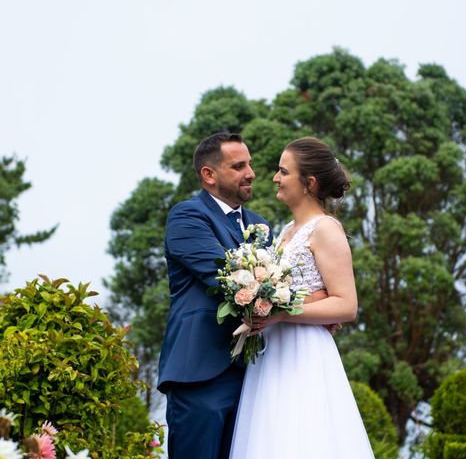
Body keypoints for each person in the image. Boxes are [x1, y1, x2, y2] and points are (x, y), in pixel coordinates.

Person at [229, 137, 375, 458]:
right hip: (274, 353)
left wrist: (282, 313)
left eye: (284, 172)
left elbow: (346, 304)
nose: (275, 178)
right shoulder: (284, 232)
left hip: (304, 352)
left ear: (308, 183)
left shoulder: (325, 229)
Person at [157, 132, 273, 459]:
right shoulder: (187, 216)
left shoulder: (262, 227)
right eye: (238, 166)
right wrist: (289, 298)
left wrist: (312, 308)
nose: (251, 173)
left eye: (249, 164)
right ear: (209, 175)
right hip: (200, 373)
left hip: (256, 375)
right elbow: (226, 275)